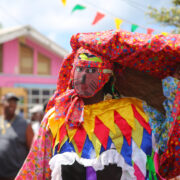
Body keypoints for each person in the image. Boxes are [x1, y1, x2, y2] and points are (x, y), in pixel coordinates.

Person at [16, 30, 180, 179]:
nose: (84, 77)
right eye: (79, 69)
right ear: (72, 71)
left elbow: (169, 139)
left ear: (107, 75)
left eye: (92, 70)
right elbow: (35, 169)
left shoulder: (136, 112)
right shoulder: (57, 116)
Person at [0, 92, 34, 180]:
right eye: (9, 101)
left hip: (16, 175)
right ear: (2, 103)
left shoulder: (25, 124)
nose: (12, 104)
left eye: (14, 102)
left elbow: (33, 150)